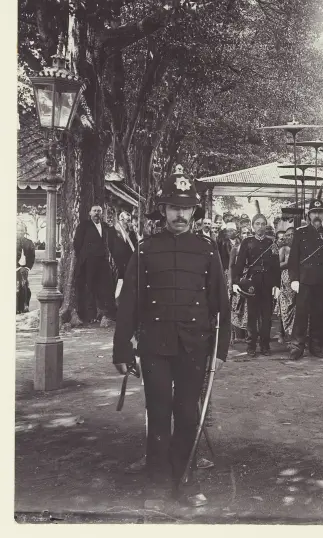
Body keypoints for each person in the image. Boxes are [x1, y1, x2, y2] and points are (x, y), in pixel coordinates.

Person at [112, 165, 230, 504]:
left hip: (195, 344)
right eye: (174, 207)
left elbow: (220, 303)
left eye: (186, 208)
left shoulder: (208, 250)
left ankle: (184, 479)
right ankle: (158, 482)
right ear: (163, 210)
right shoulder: (146, 249)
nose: (180, 214)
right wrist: (122, 349)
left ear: (194, 211)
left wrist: (220, 351)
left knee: (188, 412)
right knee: (159, 410)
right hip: (154, 344)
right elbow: (129, 303)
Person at [287, 198, 323, 360]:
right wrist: (294, 279)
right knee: (301, 314)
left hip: (321, 280)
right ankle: (296, 347)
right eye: (314, 213)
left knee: (318, 314)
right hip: (304, 280)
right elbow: (293, 259)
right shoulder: (300, 233)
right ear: (309, 216)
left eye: (320, 213)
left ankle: (316, 346)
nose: (317, 215)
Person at [232, 214, 280, 357]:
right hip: (252, 282)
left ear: (266, 226)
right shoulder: (247, 242)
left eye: (262, 224)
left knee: (266, 316)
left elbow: (276, 267)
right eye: (257, 224)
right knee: (252, 315)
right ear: (253, 226)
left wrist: (276, 285)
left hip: (268, 282)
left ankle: (265, 345)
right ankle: (251, 345)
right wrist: (235, 282)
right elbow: (239, 263)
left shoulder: (271, 243)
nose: (260, 226)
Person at [73, 203, 116, 323]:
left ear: (102, 213)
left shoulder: (106, 226)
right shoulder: (84, 226)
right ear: (90, 213)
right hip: (88, 262)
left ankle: (106, 313)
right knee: (89, 286)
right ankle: (89, 315)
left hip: (103, 261)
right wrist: (84, 256)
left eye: (99, 211)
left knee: (106, 286)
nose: (97, 213)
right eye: (95, 211)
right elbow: (77, 243)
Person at [229, 226, 252, 343]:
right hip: (238, 281)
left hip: (249, 281)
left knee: (248, 308)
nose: (246, 234)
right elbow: (231, 267)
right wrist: (231, 283)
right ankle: (234, 336)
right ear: (240, 234)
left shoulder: (253, 246)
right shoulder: (235, 249)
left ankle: (249, 335)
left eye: (248, 232)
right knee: (236, 307)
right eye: (244, 233)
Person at [111, 210, 139, 299]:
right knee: (114, 281)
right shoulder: (112, 231)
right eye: (128, 220)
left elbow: (135, 245)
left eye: (129, 220)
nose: (129, 222)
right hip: (115, 261)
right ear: (121, 219)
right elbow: (109, 246)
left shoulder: (130, 232)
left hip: (128, 261)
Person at [16, 223, 35, 313]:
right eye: (18, 231)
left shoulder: (29, 242)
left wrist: (28, 267)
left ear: (24, 232)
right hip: (15, 268)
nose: (19, 232)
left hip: (24, 268)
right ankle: (18, 307)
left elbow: (32, 256)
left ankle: (25, 305)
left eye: (21, 231)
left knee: (24, 286)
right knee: (18, 287)